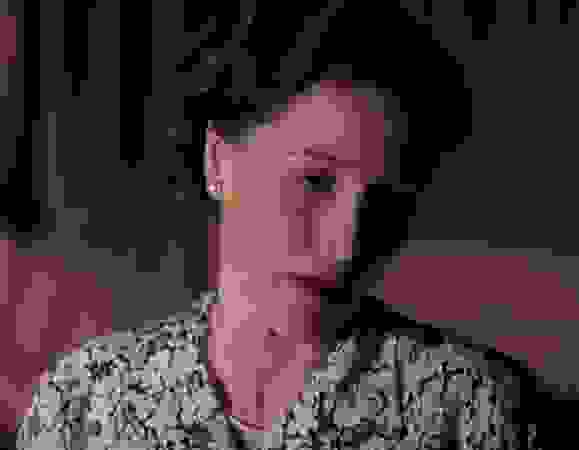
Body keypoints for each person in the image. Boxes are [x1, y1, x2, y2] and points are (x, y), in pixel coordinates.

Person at [16, 3, 545, 449]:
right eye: (314, 181)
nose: (346, 244)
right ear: (219, 161)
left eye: (387, 201)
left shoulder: (471, 409)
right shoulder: (80, 405)